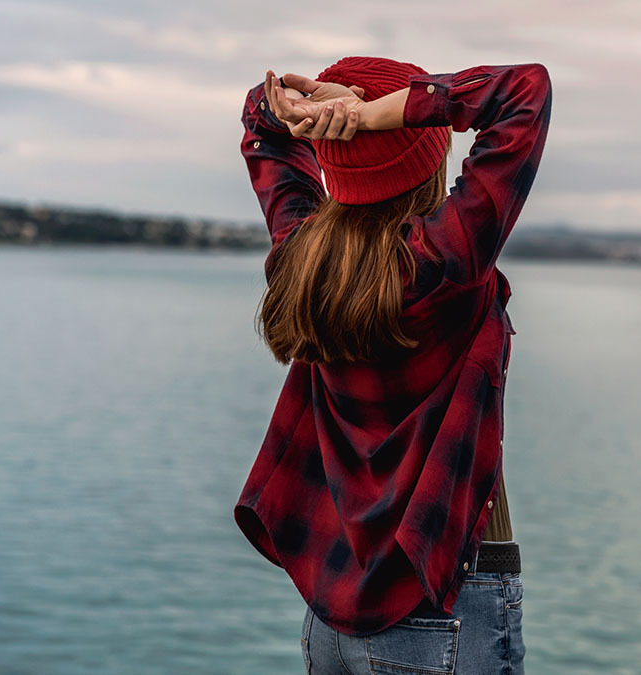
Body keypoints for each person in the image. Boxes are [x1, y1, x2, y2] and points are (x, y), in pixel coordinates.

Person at [234, 56, 551, 675]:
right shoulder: (443, 263)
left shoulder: (304, 258)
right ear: (426, 156)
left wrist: (297, 108)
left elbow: (259, 124)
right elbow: (524, 92)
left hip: (332, 616)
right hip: (442, 601)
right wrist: (390, 110)